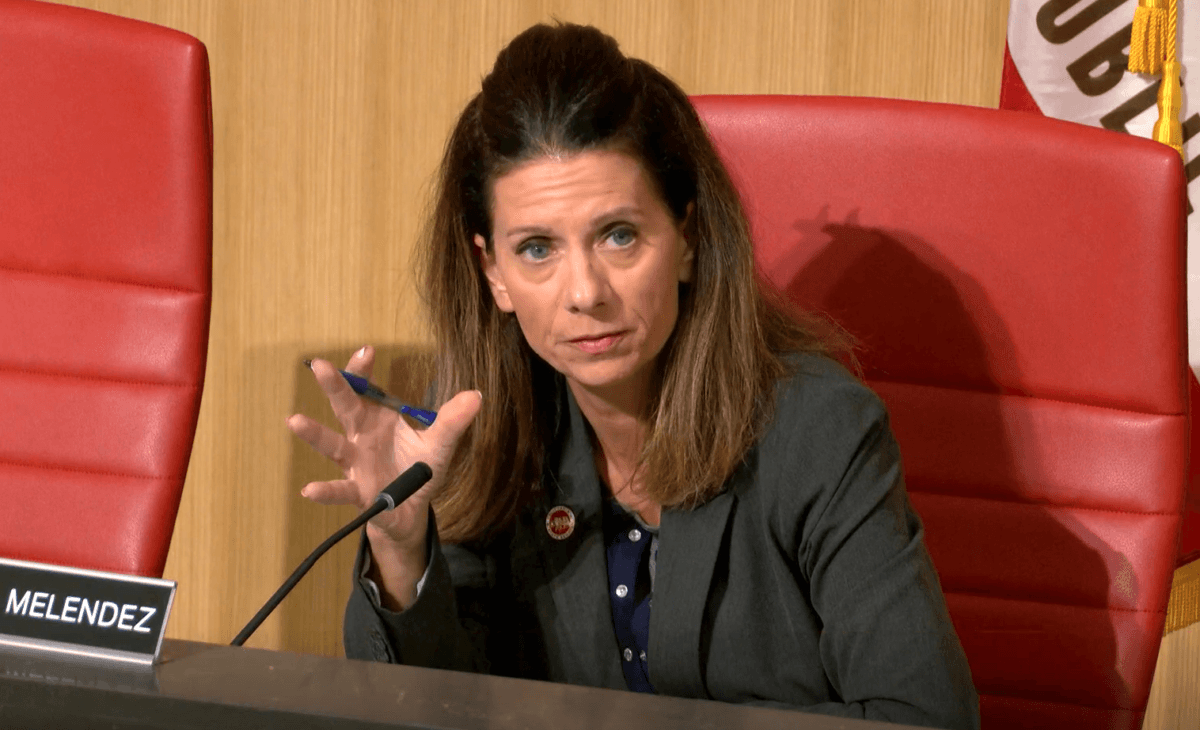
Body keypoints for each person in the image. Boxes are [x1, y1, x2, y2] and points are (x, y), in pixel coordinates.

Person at [288, 22, 979, 729]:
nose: (585, 291)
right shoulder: (476, 426)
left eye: (619, 235)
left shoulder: (817, 431)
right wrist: (402, 547)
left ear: (685, 237)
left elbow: (923, 717)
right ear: (492, 271)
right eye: (535, 249)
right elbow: (431, 710)